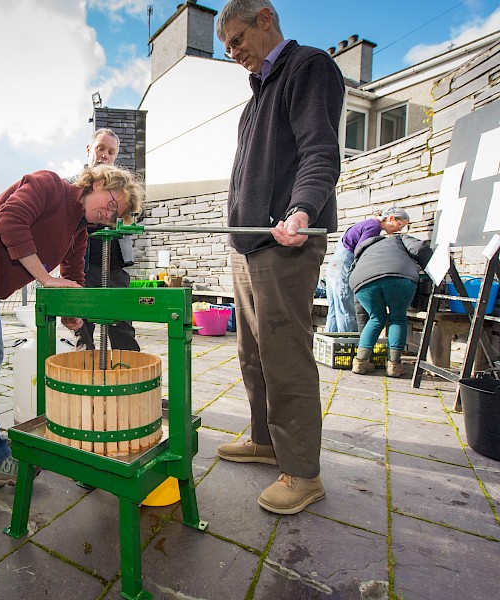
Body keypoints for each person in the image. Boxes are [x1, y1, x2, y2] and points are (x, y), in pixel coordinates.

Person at [0, 165, 144, 490]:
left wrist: (73, 313)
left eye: (115, 217)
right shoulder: (49, 186)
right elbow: (10, 221)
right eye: (112, 205)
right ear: (98, 182)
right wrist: (47, 279)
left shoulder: (79, 230)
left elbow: (74, 271)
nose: (107, 217)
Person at [214, 0, 344, 515]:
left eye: (238, 40)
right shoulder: (255, 100)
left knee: (285, 355)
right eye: (227, 48)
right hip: (247, 244)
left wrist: (301, 210)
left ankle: (304, 473)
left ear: (265, 17)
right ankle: (267, 442)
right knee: (253, 355)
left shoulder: (308, 67)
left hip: (285, 241)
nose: (234, 53)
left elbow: (320, 150)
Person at [71, 128, 140, 352]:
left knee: (123, 331)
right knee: (84, 333)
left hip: (115, 270)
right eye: (100, 148)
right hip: (83, 268)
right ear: (89, 149)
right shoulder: (74, 186)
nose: (104, 155)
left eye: (111, 151)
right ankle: (83, 381)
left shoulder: (123, 189)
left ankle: (128, 380)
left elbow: (136, 213)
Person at [348, 234, 432, 377]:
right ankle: (394, 365)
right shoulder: (399, 239)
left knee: (375, 318)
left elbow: (360, 309)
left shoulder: (364, 249)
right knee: (398, 317)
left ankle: (360, 362)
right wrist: (432, 269)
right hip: (399, 276)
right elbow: (419, 248)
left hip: (362, 281)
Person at [325, 207, 411, 332]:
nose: (399, 229)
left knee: (334, 310)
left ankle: (331, 346)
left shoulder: (365, 223)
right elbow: (361, 251)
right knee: (346, 309)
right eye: (400, 224)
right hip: (343, 268)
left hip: (333, 267)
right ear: (391, 218)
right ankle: (349, 346)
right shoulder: (374, 226)